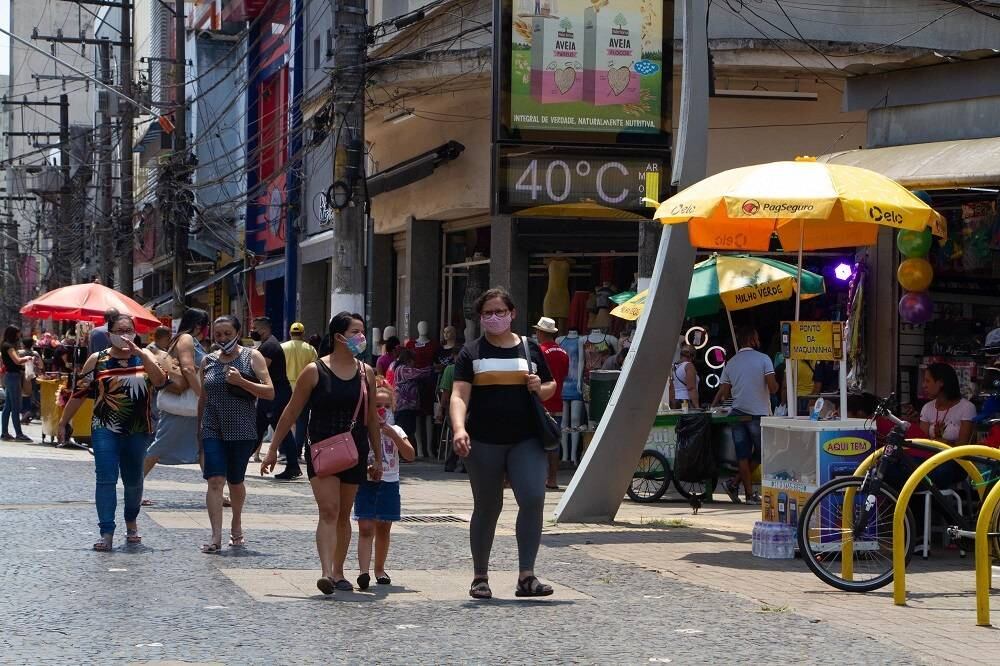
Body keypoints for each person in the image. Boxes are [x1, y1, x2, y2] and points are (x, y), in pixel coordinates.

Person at [261, 312, 382, 595]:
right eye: (355, 331)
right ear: (339, 336)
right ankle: (327, 572)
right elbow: (291, 411)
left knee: (343, 513)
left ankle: (339, 571)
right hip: (322, 449)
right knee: (328, 510)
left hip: (355, 450)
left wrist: (378, 455)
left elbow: (372, 418)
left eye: (362, 331)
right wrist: (273, 449)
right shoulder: (315, 371)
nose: (360, 337)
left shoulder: (367, 372)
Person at [450, 287, 557, 599]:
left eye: (500, 311)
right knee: (487, 506)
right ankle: (480, 576)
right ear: (480, 318)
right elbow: (459, 395)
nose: (494, 317)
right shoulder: (471, 352)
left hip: (526, 438)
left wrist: (542, 386)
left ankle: (527, 575)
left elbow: (550, 387)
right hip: (482, 440)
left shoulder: (530, 348)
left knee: (534, 498)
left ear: (513, 314)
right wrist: (459, 429)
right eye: (487, 313)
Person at [58, 314, 166, 550]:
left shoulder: (146, 357)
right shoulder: (97, 360)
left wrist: (144, 355)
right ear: (109, 335)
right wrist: (64, 421)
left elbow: (160, 381)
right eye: (120, 330)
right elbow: (79, 393)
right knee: (105, 478)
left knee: (133, 480)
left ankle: (131, 522)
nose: (125, 335)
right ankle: (106, 532)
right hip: (105, 427)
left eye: (129, 330)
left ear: (136, 333)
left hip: (138, 428)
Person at [197, 315, 274, 553]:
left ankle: (236, 523)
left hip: (242, 428)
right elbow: (203, 397)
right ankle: (215, 536)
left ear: (238, 333)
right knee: (215, 480)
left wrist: (241, 381)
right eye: (218, 334)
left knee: (235, 481)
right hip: (213, 427)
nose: (222, 339)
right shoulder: (208, 360)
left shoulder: (252, 356)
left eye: (227, 334)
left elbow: (269, 391)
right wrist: (198, 429)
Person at [142, 309, 209, 503]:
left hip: (189, 407)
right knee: (158, 447)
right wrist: (203, 396)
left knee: (203, 446)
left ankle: (216, 489)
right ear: (198, 326)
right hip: (185, 406)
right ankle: (134, 488)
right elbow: (188, 368)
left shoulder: (181, 339)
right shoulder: (186, 338)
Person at [355, 385, 415, 590]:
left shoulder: (396, 430)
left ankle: (379, 569)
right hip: (367, 481)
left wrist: (393, 434)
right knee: (365, 526)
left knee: (383, 528)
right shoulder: (363, 429)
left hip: (389, 481)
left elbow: (410, 455)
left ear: (393, 408)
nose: (382, 410)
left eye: (387, 406)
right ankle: (364, 572)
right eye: (377, 405)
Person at [710, 326, 778, 505]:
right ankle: (737, 486)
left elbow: (725, 393)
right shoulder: (764, 359)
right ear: (753, 340)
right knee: (763, 453)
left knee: (742, 455)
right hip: (758, 414)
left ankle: (743, 491)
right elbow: (772, 388)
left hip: (737, 414)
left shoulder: (731, 363)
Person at [251, 316, 298, 479]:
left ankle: (293, 465)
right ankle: (239, 460)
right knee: (258, 428)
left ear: (263, 329)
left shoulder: (269, 346)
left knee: (280, 430)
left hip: (275, 395)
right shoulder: (267, 344)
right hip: (271, 394)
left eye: (254, 328)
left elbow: (259, 369)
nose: (252, 331)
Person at [534, 317, 569, 490]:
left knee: (535, 441)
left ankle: (536, 477)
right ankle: (553, 479)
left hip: (541, 401)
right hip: (558, 401)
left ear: (541, 332)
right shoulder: (563, 352)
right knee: (554, 441)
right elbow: (563, 375)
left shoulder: (539, 351)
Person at [280, 321, 318, 478]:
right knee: (302, 422)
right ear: (302, 334)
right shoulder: (310, 349)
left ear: (290, 333)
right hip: (304, 388)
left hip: (285, 387)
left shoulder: (282, 347)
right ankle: (296, 451)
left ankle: (283, 450)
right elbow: (316, 367)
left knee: (285, 420)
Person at [391, 348, 432, 455]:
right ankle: (403, 454)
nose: (414, 363)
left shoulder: (398, 368)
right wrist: (432, 369)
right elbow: (419, 373)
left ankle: (403, 454)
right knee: (405, 430)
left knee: (406, 429)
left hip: (406, 406)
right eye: (413, 360)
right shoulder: (403, 369)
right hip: (404, 406)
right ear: (408, 360)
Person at [2, 325, 32, 442]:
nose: (19, 336)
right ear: (13, 334)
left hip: (10, 376)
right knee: (15, 407)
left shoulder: (5, 345)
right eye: (18, 333)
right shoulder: (9, 347)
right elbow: (17, 360)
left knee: (8, 407)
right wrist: (28, 357)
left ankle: (4, 433)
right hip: (13, 377)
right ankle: (18, 434)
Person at [669, 344, 700, 410]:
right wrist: (697, 407)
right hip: (686, 401)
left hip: (677, 401)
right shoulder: (689, 366)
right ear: (693, 356)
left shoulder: (674, 367)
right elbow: (691, 388)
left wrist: (672, 404)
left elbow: (671, 388)